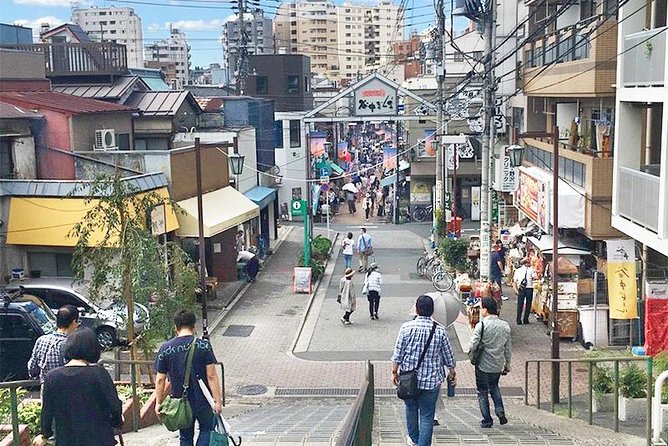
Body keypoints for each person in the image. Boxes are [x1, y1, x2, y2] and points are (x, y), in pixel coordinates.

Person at [32, 327, 122, 446]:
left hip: (67, 440)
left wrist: (45, 434)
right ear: (93, 349)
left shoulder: (52, 377)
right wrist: (117, 422)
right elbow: (114, 405)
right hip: (99, 439)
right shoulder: (99, 373)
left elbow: (47, 411)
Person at [391, 295, 456, 446]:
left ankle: (414, 440)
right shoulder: (440, 331)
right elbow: (449, 357)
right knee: (427, 416)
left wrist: (394, 372)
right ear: (432, 311)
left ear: (417, 309)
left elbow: (398, 353)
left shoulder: (406, 328)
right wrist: (452, 371)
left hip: (408, 381)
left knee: (411, 410)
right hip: (431, 381)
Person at [155, 310, 223, 446]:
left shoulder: (165, 348)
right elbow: (211, 375)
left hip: (180, 401)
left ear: (175, 327)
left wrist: (158, 403)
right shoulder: (204, 346)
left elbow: (160, 379)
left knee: (185, 437)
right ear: (193, 326)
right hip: (203, 400)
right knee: (207, 429)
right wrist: (217, 400)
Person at [468, 297, 511, 428]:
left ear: (486, 310)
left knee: (482, 392)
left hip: (483, 364)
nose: (481, 310)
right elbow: (507, 348)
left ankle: (487, 419)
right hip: (497, 364)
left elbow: (473, 344)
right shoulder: (505, 326)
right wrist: (507, 365)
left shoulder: (482, 325)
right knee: (494, 387)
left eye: (481, 308)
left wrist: (470, 355)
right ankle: (500, 411)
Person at [28, 305, 80, 384]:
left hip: (46, 391)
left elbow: (32, 370)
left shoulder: (41, 341)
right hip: (66, 391)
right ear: (73, 322)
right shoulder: (73, 344)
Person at [513, 257, 537, 325]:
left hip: (521, 288)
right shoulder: (531, 269)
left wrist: (516, 290)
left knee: (520, 304)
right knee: (528, 304)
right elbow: (535, 277)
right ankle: (525, 319)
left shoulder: (518, 270)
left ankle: (518, 320)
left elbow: (514, 281)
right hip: (529, 288)